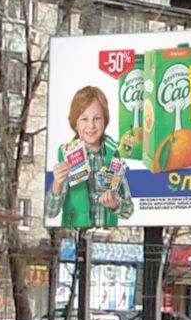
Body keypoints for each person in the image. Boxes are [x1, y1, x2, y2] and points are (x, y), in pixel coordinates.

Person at [45, 83, 132, 228]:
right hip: (76, 236)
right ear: (75, 124)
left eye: (97, 118)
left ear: (105, 121)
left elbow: (128, 209)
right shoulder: (67, 156)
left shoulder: (113, 157)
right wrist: (57, 183)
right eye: (84, 119)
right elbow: (50, 212)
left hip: (106, 237)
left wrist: (116, 205)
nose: (91, 125)